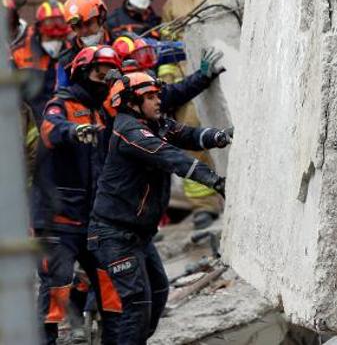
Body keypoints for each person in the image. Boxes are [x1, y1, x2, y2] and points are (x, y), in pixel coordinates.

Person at [88, 71, 231, 343]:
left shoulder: (155, 123)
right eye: (150, 97)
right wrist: (214, 181)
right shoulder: (130, 131)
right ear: (131, 103)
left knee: (157, 294)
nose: (158, 101)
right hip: (114, 236)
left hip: (137, 236)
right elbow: (170, 156)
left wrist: (220, 136)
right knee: (137, 306)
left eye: (157, 95)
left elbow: (187, 135)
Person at [33, 45, 122, 344]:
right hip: (57, 220)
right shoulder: (61, 104)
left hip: (92, 219)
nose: (103, 81)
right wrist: (73, 131)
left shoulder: (102, 110)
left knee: (110, 287)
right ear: (83, 73)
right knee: (56, 291)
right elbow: (51, 128)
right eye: (99, 74)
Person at [162, 0, 228, 228]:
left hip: (226, 73)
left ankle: (236, 194)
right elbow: (167, 50)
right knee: (191, 138)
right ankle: (204, 205)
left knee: (230, 135)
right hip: (190, 82)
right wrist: (173, 84)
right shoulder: (172, 4)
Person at [111, 33, 225, 116]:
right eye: (140, 56)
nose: (145, 61)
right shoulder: (134, 89)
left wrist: (190, 46)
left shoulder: (126, 79)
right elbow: (174, 94)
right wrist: (202, 76)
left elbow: (164, 49)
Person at [10, 0, 71, 125]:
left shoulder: (72, 53)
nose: (55, 43)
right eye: (50, 37)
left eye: (59, 38)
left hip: (64, 125)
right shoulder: (19, 55)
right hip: (31, 124)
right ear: (39, 31)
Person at [58, 0, 112, 88]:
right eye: (78, 26)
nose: (84, 30)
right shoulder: (66, 61)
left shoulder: (120, 43)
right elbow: (62, 93)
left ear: (101, 18)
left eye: (88, 23)